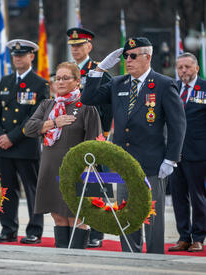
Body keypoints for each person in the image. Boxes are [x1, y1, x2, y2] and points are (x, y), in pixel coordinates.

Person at [81, 37, 186, 254]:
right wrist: (99, 69)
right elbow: (88, 98)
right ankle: (130, 256)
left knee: (152, 215)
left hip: (153, 161)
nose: (127, 60)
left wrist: (171, 158)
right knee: (126, 213)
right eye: (125, 56)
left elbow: (178, 124)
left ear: (147, 57)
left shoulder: (164, 84)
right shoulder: (118, 83)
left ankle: (155, 257)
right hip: (124, 161)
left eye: (133, 56)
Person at [24, 62, 102, 249]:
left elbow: (95, 142)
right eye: (57, 78)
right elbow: (28, 129)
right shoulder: (48, 105)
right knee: (58, 216)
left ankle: (76, 259)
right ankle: (61, 258)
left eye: (65, 78)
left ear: (77, 82)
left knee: (76, 216)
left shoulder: (86, 107)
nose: (59, 82)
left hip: (76, 171)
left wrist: (84, 170)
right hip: (50, 167)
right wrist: (53, 123)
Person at [0, 39, 49, 244]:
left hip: (25, 145)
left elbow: (35, 117)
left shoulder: (40, 84)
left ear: (31, 56)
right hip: (3, 146)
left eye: (22, 55)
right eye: (15, 55)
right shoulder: (5, 82)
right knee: (6, 189)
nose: (17, 58)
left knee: (32, 189)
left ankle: (34, 230)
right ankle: (8, 228)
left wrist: (11, 137)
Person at [66, 27, 113, 248]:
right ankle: (79, 227)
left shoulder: (99, 71)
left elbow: (109, 105)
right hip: (71, 134)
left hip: (93, 134)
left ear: (89, 46)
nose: (75, 49)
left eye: (79, 45)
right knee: (75, 183)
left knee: (94, 183)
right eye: (72, 46)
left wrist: (103, 133)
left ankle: (97, 231)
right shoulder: (66, 71)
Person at [168, 53, 206, 252]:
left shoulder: (204, 89)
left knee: (197, 195)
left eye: (187, 67)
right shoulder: (172, 88)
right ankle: (184, 237)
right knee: (178, 196)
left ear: (196, 68)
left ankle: (199, 237)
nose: (183, 71)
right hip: (174, 153)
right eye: (180, 67)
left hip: (198, 152)